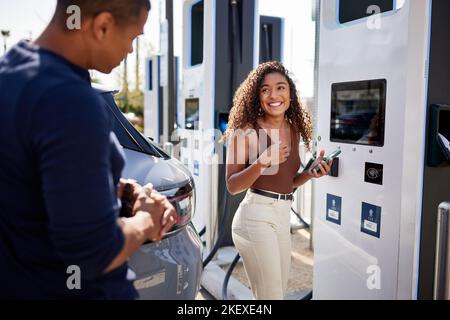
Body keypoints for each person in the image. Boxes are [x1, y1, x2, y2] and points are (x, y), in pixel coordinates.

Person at [0, 0, 176, 299]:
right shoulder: (71, 102)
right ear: (102, 26)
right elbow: (95, 253)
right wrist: (147, 219)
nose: (131, 50)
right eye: (133, 37)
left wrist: (117, 188)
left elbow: (30, 181)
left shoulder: (11, 75)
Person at [224, 61, 332, 300]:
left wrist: (309, 173)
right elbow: (232, 185)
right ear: (256, 96)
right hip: (255, 218)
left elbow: (287, 183)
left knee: (276, 294)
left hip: (283, 216)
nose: (274, 95)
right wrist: (262, 161)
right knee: (271, 297)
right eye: (265, 89)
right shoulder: (246, 131)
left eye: (281, 88)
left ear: (290, 94)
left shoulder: (294, 129)